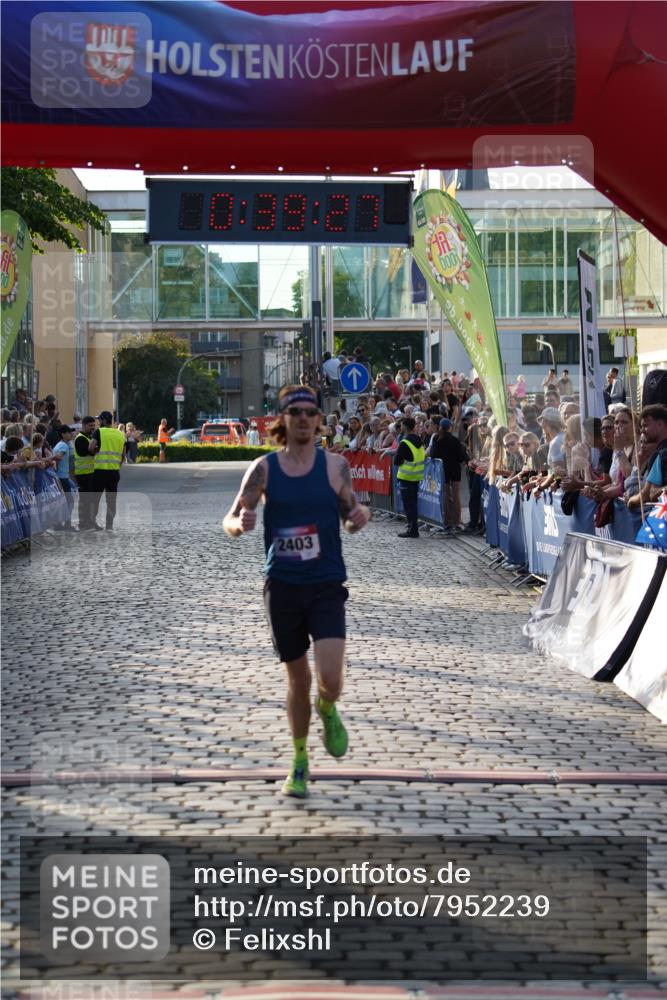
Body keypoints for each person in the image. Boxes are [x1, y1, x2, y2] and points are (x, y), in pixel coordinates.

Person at [222, 385, 370, 799]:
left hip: (325, 583)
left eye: (310, 412)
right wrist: (239, 525)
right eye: (295, 412)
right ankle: (300, 761)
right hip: (283, 587)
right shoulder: (264, 469)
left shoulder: (336, 467)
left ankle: (328, 708)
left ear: (319, 420)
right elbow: (231, 518)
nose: (304, 418)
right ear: (282, 420)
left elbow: (350, 518)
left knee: (330, 679)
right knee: (298, 678)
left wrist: (360, 517)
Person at [429, 418, 468, 532]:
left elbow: (433, 454)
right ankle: (456, 522)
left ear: (440, 427)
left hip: (442, 470)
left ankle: (446, 521)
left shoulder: (437, 438)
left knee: (445, 495)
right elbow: (461, 457)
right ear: (450, 428)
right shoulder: (455, 440)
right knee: (456, 496)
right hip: (454, 470)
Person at [90, 411, 126, 530]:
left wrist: (96, 450)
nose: (98, 422)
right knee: (111, 500)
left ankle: (92, 522)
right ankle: (109, 525)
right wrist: (116, 466)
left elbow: (90, 447)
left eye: (99, 420)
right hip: (114, 472)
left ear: (104, 420)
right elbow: (123, 455)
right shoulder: (121, 434)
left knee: (95, 498)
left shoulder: (99, 432)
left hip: (100, 471)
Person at [393, 416, 425, 538]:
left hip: (406, 478)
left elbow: (397, 461)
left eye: (401, 425)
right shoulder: (420, 441)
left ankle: (412, 529)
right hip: (416, 478)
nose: (400, 427)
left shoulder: (405, 442)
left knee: (408, 505)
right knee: (413, 504)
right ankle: (413, 527)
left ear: (405, 427)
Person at [74, 416, 101, 531]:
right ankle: (83, 524)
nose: (92, 428)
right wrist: (94, 449)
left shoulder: (88, 437)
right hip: (82, 474)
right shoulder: (80, 439)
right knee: (85, 500)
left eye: (94, 426)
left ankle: (90, 522)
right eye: (90, 426)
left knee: (90, 500)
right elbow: (86, 452)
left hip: (90, 473)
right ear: (83, 425)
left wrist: (94, 449)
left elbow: (92, 450)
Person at [52, 425, 76, 531]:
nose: (70, 434)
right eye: (68, 432)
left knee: (62, 501)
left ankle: (59, 523)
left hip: (60, 475)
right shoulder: (64, 446)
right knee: (69, 500)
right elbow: (58, 457)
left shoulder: (60, 444)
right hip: (62, 476)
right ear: (63, 434)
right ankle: (67, 523)